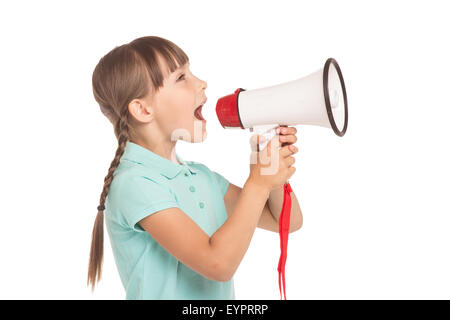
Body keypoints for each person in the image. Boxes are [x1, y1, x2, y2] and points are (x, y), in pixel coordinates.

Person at [87, 35, 303, 299]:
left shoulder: (201, 178)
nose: (202, 83)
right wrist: (258, 184)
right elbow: (218, 264)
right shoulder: (134, 183)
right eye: (181, 78)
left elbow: (287, 221)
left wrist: (270, 170)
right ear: (142, 110)